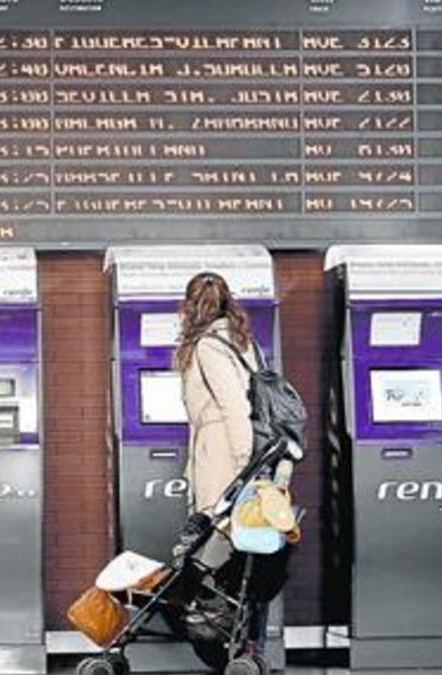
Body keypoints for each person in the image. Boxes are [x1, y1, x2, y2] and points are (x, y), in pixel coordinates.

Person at [173, 270, 268, 655]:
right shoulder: (244, 341)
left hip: (225, 456)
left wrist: (244, 467)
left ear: (189, 307)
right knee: (248, 556)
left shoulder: (210, 346)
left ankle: (232, 646)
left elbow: (233, 406)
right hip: (244, 454)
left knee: (220, 550)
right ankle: (249, 646)